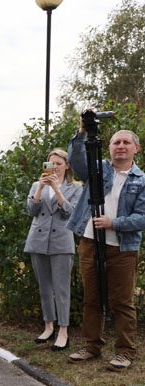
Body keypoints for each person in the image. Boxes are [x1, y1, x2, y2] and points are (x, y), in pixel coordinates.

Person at [66, 126, 145, 371]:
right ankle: (92, 346)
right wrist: (81, 133)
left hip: (122, 248)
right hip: (90, 243)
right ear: (109, 147)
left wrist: (114, 223)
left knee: (122, 301)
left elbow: (142, 217)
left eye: (125, 142)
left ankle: (125, 351)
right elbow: (75, 161)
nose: (120, 146)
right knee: (91, 298)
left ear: (136, 148)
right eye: (115, 142)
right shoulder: (97, 168)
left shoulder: (141, 180)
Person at [24, 149, 82, 351]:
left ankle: (63, 330)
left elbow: (71, 214)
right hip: (38, 240)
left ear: (67, 166)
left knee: (62, 289)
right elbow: (30, 211)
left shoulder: (75, 188)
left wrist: (57, 190)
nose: (54, 167)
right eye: (51, 164)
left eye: (59, 163)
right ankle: (48, 326)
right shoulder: (35, 185)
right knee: (45, 288)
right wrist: (40, 188)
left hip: (60, 242)